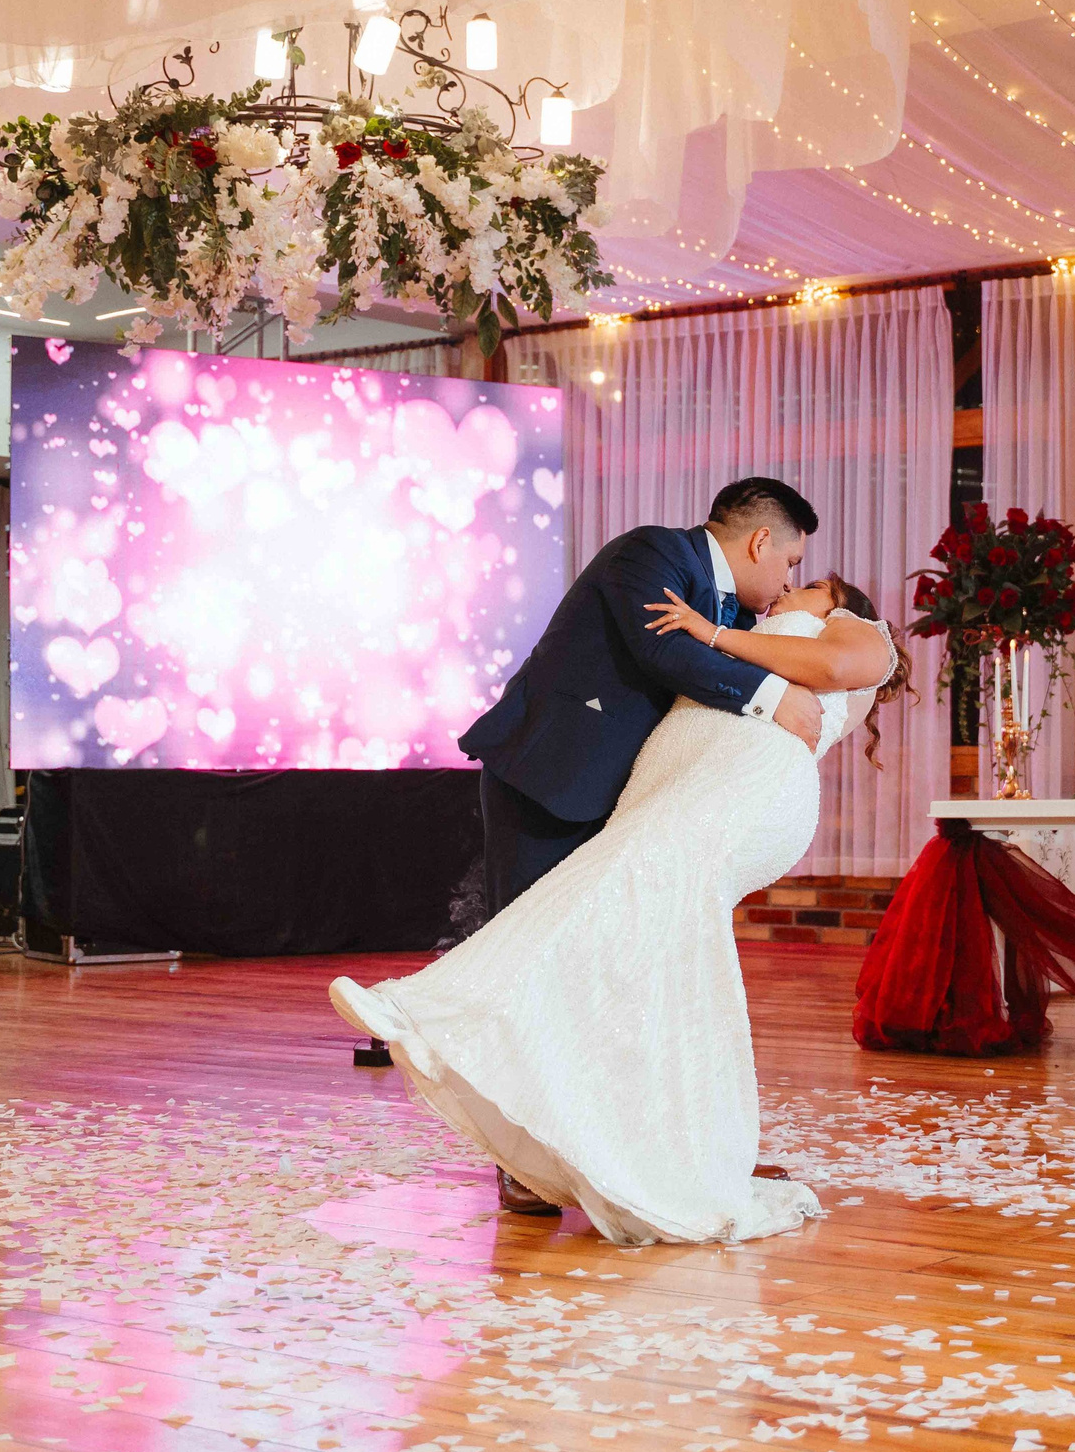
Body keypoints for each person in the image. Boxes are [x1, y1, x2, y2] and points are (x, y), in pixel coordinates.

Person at [331, 570, 911, 1245]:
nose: (788, 588)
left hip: (743, 786)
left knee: (598, 892)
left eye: (810, 584)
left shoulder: (861, 638)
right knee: (639, 946)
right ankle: (650, 1143)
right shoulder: (752, 631)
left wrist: (710, 633)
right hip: (678, 783)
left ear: (841, 606)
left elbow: (834, 665)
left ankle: (427, 1006)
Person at [454, 477, 828, 931]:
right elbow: (665, 649)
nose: (788, 582)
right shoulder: (654, 550)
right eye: (790, 563)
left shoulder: (742, 619)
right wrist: (775, 695)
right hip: (553, 774)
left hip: (621, 801)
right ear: (760, 541)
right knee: (519, 938)